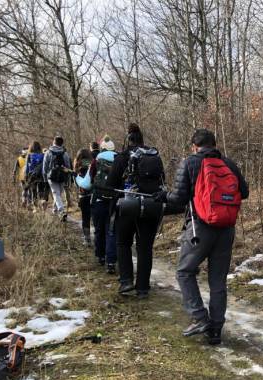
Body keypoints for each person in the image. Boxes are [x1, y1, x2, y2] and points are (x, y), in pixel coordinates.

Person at [155, 128, 249, 345]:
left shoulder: (190, 163)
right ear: (215, 144)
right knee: (218, 281)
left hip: (200, 227)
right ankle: (215, 330)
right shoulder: (229, 165)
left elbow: (178, 199)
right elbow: (244, 192)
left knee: (184, 272)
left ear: (194, 146)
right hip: (226, 229)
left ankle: (199, 317)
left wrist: (163, 197)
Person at [106, 124, 165, 298]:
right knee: (145, 247)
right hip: (151, 206)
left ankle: (126, 282)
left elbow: (110, 185)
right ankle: (143, 288)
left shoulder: (122, 157)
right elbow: (162, 180)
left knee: (123, 243)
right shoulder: (154, 155)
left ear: (128, 139)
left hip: (127, 206)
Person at [87, 136, 117, 274]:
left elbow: (88, 182)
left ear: (102, 148)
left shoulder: (96, 160)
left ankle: (100, 256)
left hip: (98, 200)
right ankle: (111, 261)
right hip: (114, 201)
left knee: (99, 230)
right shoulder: (119, 159)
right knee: (111, 231)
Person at [43, 136, 72, 221]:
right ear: (62, 144)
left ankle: (61, 211)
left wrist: (45, 178)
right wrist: (68, 177)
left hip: (52, 177)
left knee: (56, 194)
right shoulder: (65, 153)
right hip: (62, 177)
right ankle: (55, 210)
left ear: (54, 142)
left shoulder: (48, 152)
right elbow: (68, 166)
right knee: (58, 194)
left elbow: (45, 168)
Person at [73, 148, 93, 246]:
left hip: (83, 195)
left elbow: (76, 182)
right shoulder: (93, 163)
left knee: (85, 218)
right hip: (93, 194)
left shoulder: (77, 164)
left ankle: (87, 239)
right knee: (94, 218)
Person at [24, 141, 47, 210]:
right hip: (41, 175)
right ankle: (42, 201)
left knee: (33, 191)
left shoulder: (29, 155)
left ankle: (35, 207)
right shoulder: (43, 155)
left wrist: (26, 176)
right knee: (41, 190)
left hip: (32, 176)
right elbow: (45, 166)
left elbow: (27, 168)